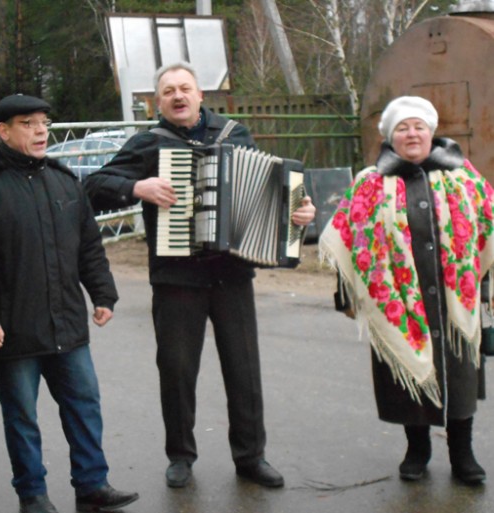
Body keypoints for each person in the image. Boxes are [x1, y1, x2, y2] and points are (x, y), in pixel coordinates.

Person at [84, 61, 316, 489]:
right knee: (176, 370)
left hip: (233, 276)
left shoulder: (235, 134)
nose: (178, 96)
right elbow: (94, 186)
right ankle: (180, 457)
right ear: (158, 101)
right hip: (176, 279)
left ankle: (251, 456)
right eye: (168, 90)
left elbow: (281, 189)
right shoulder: (148, 143)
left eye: (185, 88)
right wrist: (138, 188)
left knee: (244, 371)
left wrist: (302, 210)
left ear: (199, 95)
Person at [0, 94, 139, 513]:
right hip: (12, 330)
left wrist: (102, 291)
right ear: (4, 130)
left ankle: (92, 486)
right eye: (28, 123)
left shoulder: (64, 181)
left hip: (68, 324)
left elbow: (88, 245)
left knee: (85, 406)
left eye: (44, 124)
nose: (40, 131)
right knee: (22, 418)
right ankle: (32, 495)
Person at [320, 96, 493, 485]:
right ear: (389, 137)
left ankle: (462, 453)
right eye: (402, 128)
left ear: (432, 133)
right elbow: (348, 239)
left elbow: (488, 227)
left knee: (460, 376)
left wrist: (483, 290)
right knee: (405, 377)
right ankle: (417, 449)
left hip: (454, 301)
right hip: (397, 300)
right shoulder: (369, 183)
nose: (411, 134)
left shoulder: (463, 177)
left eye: (418, 127)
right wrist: (347, 294)